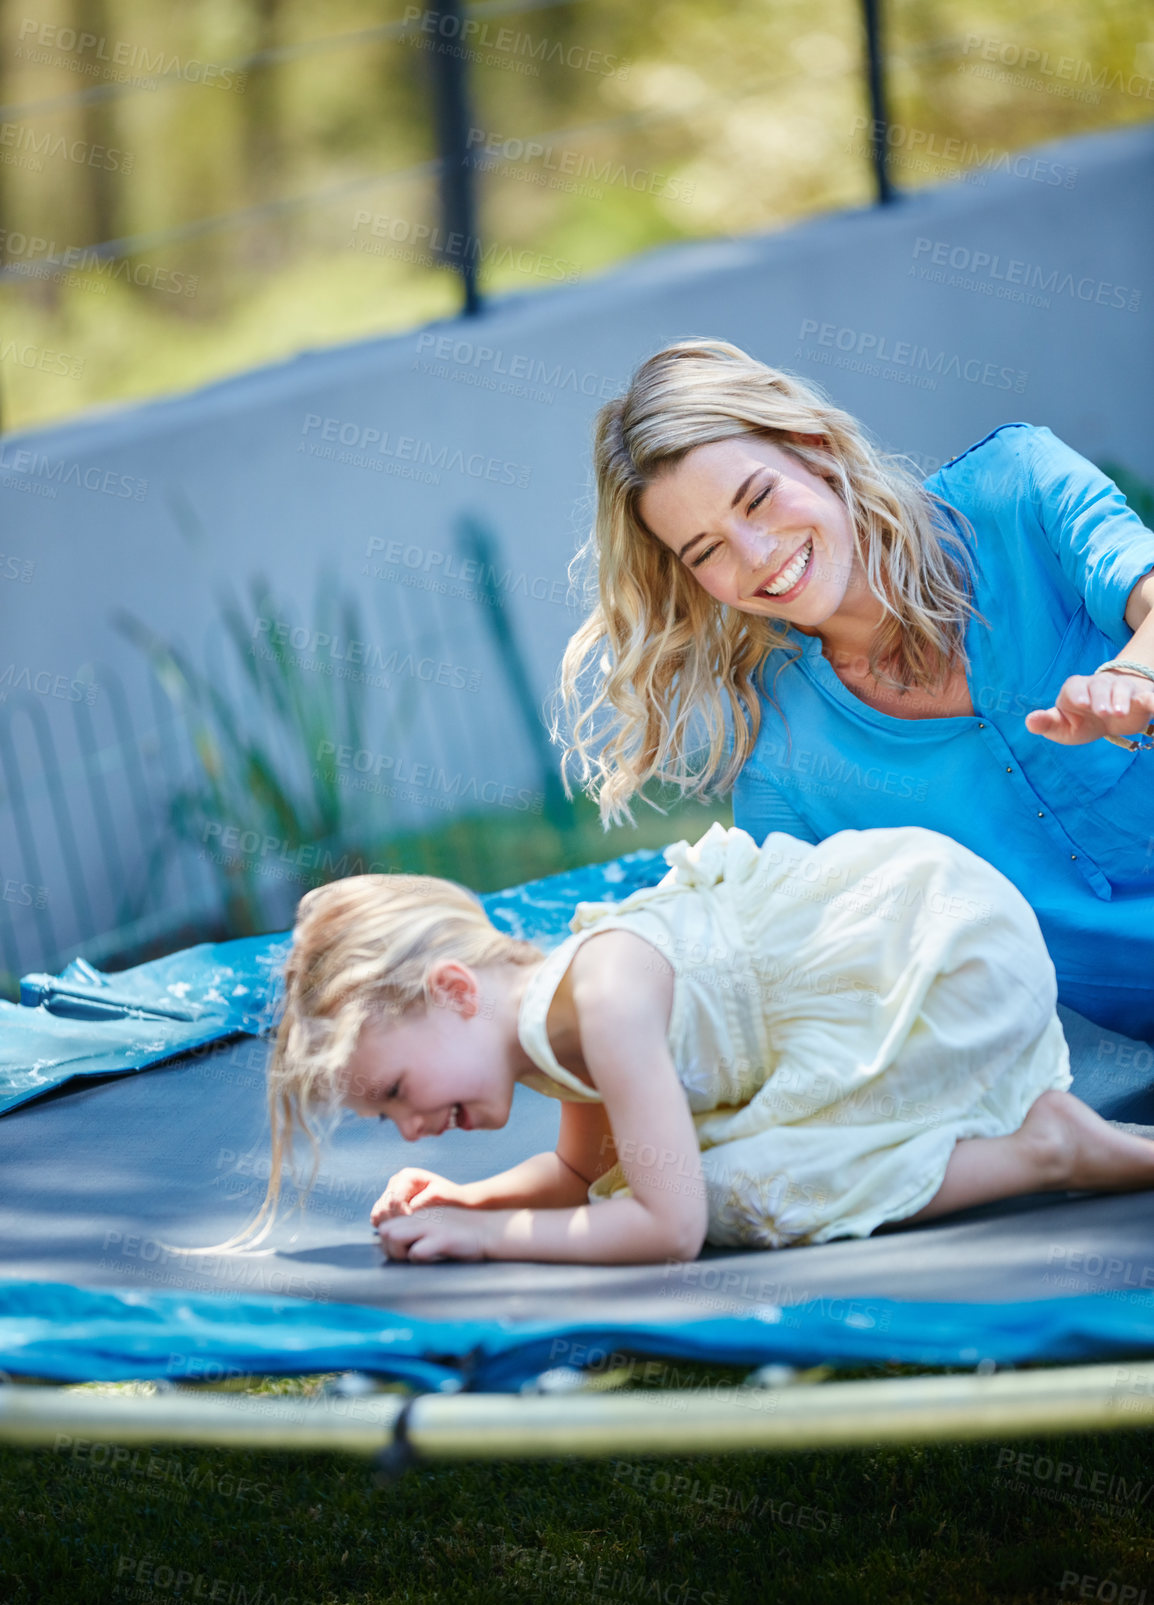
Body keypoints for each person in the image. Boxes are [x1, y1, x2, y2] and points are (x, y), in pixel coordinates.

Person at [554, 340, 1154, 1041]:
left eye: (759, 498)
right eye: (708, 551)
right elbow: (787, 972)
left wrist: (1134, 672)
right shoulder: (783, 765)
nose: (757, 555)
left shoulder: (1018, 485)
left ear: (814, 447)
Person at [261, 824, 1154, 1265]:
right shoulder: (547, 1035)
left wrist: (494, 1241)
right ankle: (1028, 1137)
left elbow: (669, 1227)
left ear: (453, 991)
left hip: (935, 956)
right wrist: (471, 1200)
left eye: (392, 1091)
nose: (410, 1128)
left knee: (734, 1190)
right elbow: (582, 1178)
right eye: (385, 1117)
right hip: (899, 974)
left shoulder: (604, 996)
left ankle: (1043, 1149)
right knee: (670, 1168)